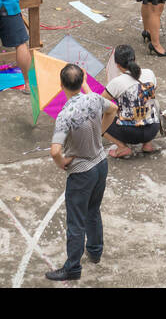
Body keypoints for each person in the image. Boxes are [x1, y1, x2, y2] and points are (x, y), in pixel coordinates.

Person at [46, 62, 117, 282]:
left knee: (75, 222)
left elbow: (55, 150)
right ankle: (95, 251)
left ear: (61, 85)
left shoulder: (65, 115)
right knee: (93, 211)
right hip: (100, 163)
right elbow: (112, 109)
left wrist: (62, 162)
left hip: (81, 172)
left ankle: (73, 267)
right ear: (81, 81)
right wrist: (101, 131)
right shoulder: (94, 99)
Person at [102, 45, 161, 157]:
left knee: (99, 117)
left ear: (118, 65)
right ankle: (147, 144)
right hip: (153, 129)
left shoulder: (117, 82)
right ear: (134, 59)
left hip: (130, 134)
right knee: (149, 104)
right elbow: (153, 91)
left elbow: (99, 102)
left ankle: (122, 147)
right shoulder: (149, 73)